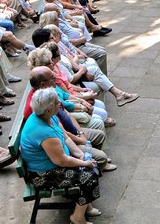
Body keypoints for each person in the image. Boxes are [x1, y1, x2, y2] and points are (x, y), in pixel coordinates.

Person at [20, 87, 101, 224]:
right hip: (44, 175)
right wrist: (84, 163)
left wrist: (80, 155)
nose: (60, 103)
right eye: (57, 102)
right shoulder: (43, 132)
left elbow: (66, 138)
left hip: (56, 163)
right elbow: (62, 161)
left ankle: (85, 205)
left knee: (90, 164)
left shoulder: (49, 117)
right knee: (91, 174)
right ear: (49, 109)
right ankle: (77, 217)